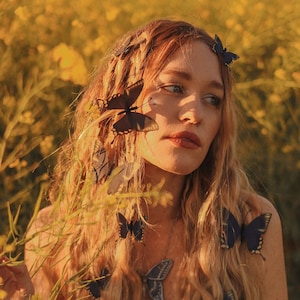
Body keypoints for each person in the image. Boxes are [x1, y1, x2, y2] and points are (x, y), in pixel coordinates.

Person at [1, 19, 287, 299]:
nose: (195, 114)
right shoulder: (58, 232)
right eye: (175, 88)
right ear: (122, 93)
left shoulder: (250, 219)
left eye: (213, 99)